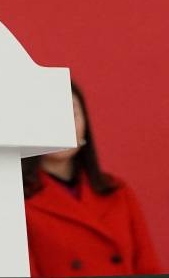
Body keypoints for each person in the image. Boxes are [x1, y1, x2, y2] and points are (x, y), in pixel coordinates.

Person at [22, 81, 161, 276]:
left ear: (85, 123)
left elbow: (149, 269)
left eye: (72, 113)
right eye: (50, 114)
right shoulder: (17, 201)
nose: (63, 124)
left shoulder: (117, 191)